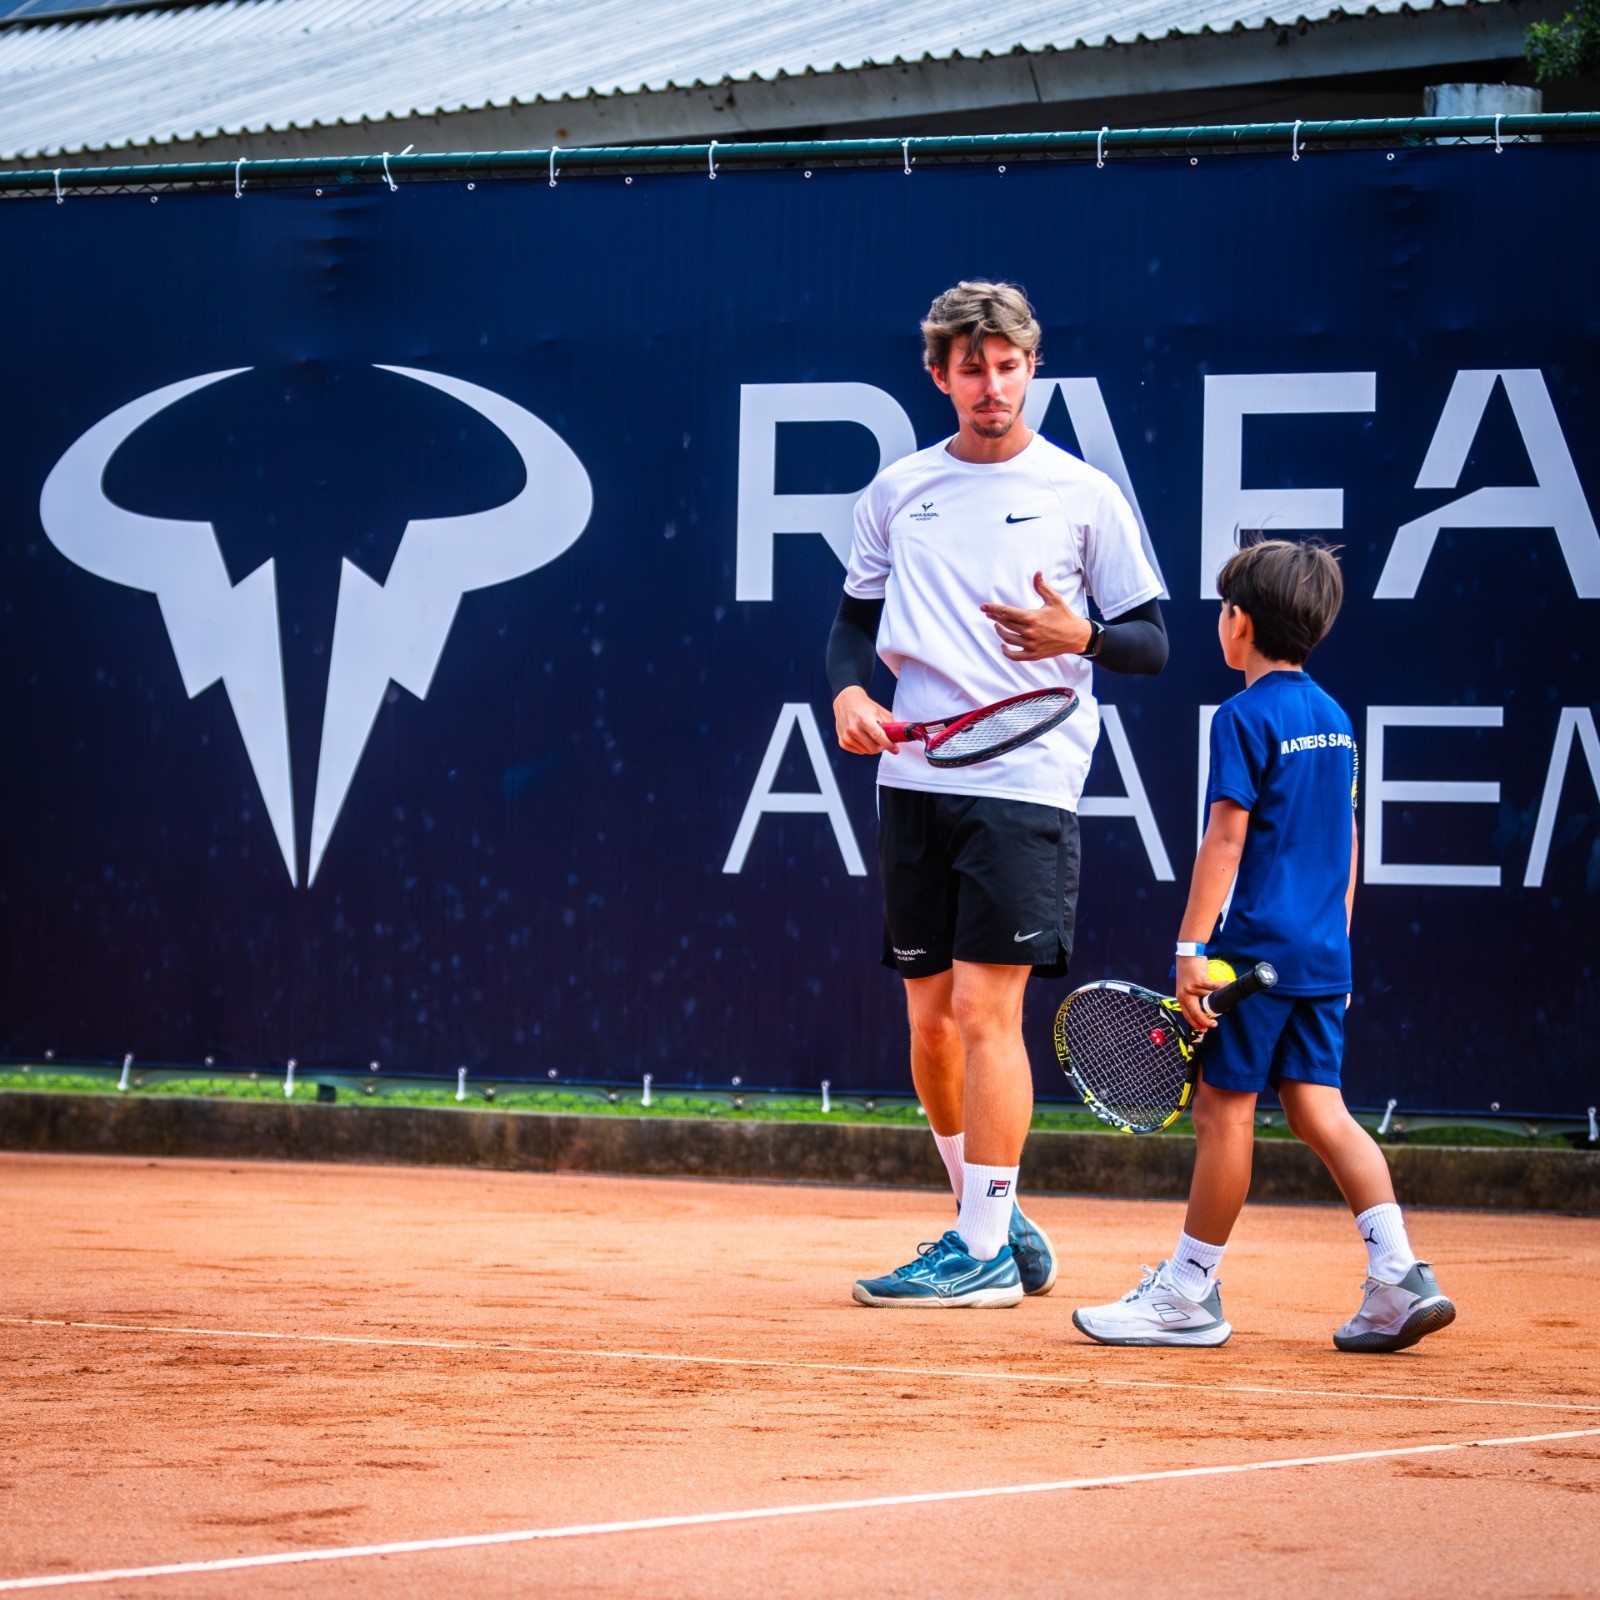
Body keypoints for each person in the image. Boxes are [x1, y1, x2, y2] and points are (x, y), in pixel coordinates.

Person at [828, 280, 1168, 1307]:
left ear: (1031, 368)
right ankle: (990, 1218)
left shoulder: (1083, 494)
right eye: (970, 367)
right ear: (939, 376)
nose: (991, 384)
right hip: (912, 773)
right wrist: (849, 688)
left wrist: (1084, 639)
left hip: (1029, 776)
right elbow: (852, 622)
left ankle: (975, 1251)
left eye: (1008, 364)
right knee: (928, 1019)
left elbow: (1150, 642)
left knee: (985, 1009)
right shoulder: (896, 492)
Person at [1072, 537, 1457, 1352]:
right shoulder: (1332, 719)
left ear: (1238, 624)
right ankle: (1399, 1272)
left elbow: (1225, 839)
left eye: (1223, 609)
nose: (1220, 621)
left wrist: (1188, 949)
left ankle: (1187, 1291)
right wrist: (1338, 951)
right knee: (1321, 1109)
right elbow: (1346, 844)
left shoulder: (1245, 717)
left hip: (1251, 957)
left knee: (1222, 1112)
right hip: (1321, 955)